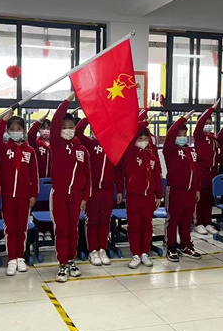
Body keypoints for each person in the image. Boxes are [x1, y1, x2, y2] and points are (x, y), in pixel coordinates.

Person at [49, 93, 91, 282]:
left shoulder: (81, 150)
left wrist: (85, 197)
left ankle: (71, 260)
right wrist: (67, 102)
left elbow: (87, 176)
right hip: (59, 194)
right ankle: (62, 264)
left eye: (71, 127)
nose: (67, 130)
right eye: (64, 127)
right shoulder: (56, 144)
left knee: (73, 229)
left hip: (76, 196)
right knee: (62, 230)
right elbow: (56, 120)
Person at [0, 111, 38, 276]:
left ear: (24, 131)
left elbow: (34, 175)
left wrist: (34, 194)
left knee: (21, 228)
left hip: (24, 197)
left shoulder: (30, 151)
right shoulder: (4, 149)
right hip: (8, 196)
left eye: (19, 129)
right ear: (8, 131)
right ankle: (11, 258)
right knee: (10, 228)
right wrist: (2, 120)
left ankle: (20, 257)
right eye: (13, 129)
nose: (16, 132)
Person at [76, 117, 123, 266]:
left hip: (108, 190)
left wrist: (119, 190)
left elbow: (119, 170)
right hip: (93, 190)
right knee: (92, 220)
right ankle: (92, 250)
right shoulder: (90, 144)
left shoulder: (113, 148)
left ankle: (102, 248)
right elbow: (78, 131)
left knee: (105, 220)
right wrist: (89, 117)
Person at [122, 120, 163, 269]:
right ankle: (135, 254)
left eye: (145, 139)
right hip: (133, 196)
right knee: (134, 225)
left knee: (147, 225)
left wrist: (159, 195)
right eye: (140, 138)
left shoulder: (152, 157)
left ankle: (145, 252)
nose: (143, 141)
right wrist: (143, 122)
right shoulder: (129, 154)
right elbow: (132, 135)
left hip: (149, 197)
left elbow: (157, 177)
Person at [163, 111, 202, 263]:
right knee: (173, 220)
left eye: (184, 134)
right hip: (175, 190)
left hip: (190, 192)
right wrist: (183, 119)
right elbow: (170, 135)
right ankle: (171, 246)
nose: (182, 137)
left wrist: (197, 189)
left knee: (187, 220)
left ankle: (186, 245)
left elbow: (196, 171)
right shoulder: (170, 150)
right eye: (179, 134)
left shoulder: (191, 151)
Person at [193, 100, 221, 235]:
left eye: (210, 123)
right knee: (200, 198)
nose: (208, 125)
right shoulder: (199, 136)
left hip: (213, 171)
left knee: (209, 199)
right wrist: (211, 109)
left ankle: (207, 222)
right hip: (202, 171)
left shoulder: (213, 139)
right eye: (206, 123)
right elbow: (199, 123)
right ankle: (198, 223)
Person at [28, 111, 52, 178]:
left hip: (53, 178)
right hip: (38, 177)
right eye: (43, 128)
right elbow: (30, 134)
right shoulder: (36, 143)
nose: (45, 131)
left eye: (48, 129)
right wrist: (39, 122)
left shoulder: (55, 144)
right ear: (39, 130)